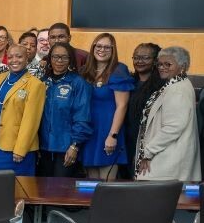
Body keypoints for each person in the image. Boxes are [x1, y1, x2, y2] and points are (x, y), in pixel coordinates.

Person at [0, 45, 45, 176]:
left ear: (27, 59)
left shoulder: (36, 85)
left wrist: (21, 149)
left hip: (16, 150)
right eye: (11, 57)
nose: (14, 60)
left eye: (19, 56)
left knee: (18, 191)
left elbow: (31, 121)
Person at [135, 46, 201, 181]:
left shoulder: (177, 90)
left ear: (182, 66)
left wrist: (148, 152)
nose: (162, 67)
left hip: (167, 161)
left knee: (157, 200)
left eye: (168, 64)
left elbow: (173, 127)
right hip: (167, 157)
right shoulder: (175, 84)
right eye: (160, 64)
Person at [79, 33, 134, 181]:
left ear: (113, 50)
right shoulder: (85, 71)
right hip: (89, 132)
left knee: (106, 183)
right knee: (90, 184)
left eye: (106, 47)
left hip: (108, 131)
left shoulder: (119, 70)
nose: (101, 50)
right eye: (98, 46)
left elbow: (122, 106)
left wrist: (113, 135)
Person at [37, 42, 92, 177]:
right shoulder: (43, 82)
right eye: (55, 57)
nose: (59, 61)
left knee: (60, 191)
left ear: (70, 60)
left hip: (66, 148)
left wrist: (74, 145)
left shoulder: (78, 83)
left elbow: (82, 116)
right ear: (49, 59)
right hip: (42, 147)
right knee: (42, 191)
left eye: (64, 57)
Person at [122, 43, 164, 179]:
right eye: (136, 57)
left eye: (145, 58)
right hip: (125, 140)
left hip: (145, 143)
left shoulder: (161, 86)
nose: (139, 61)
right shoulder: (129, 82)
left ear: (155, 61)